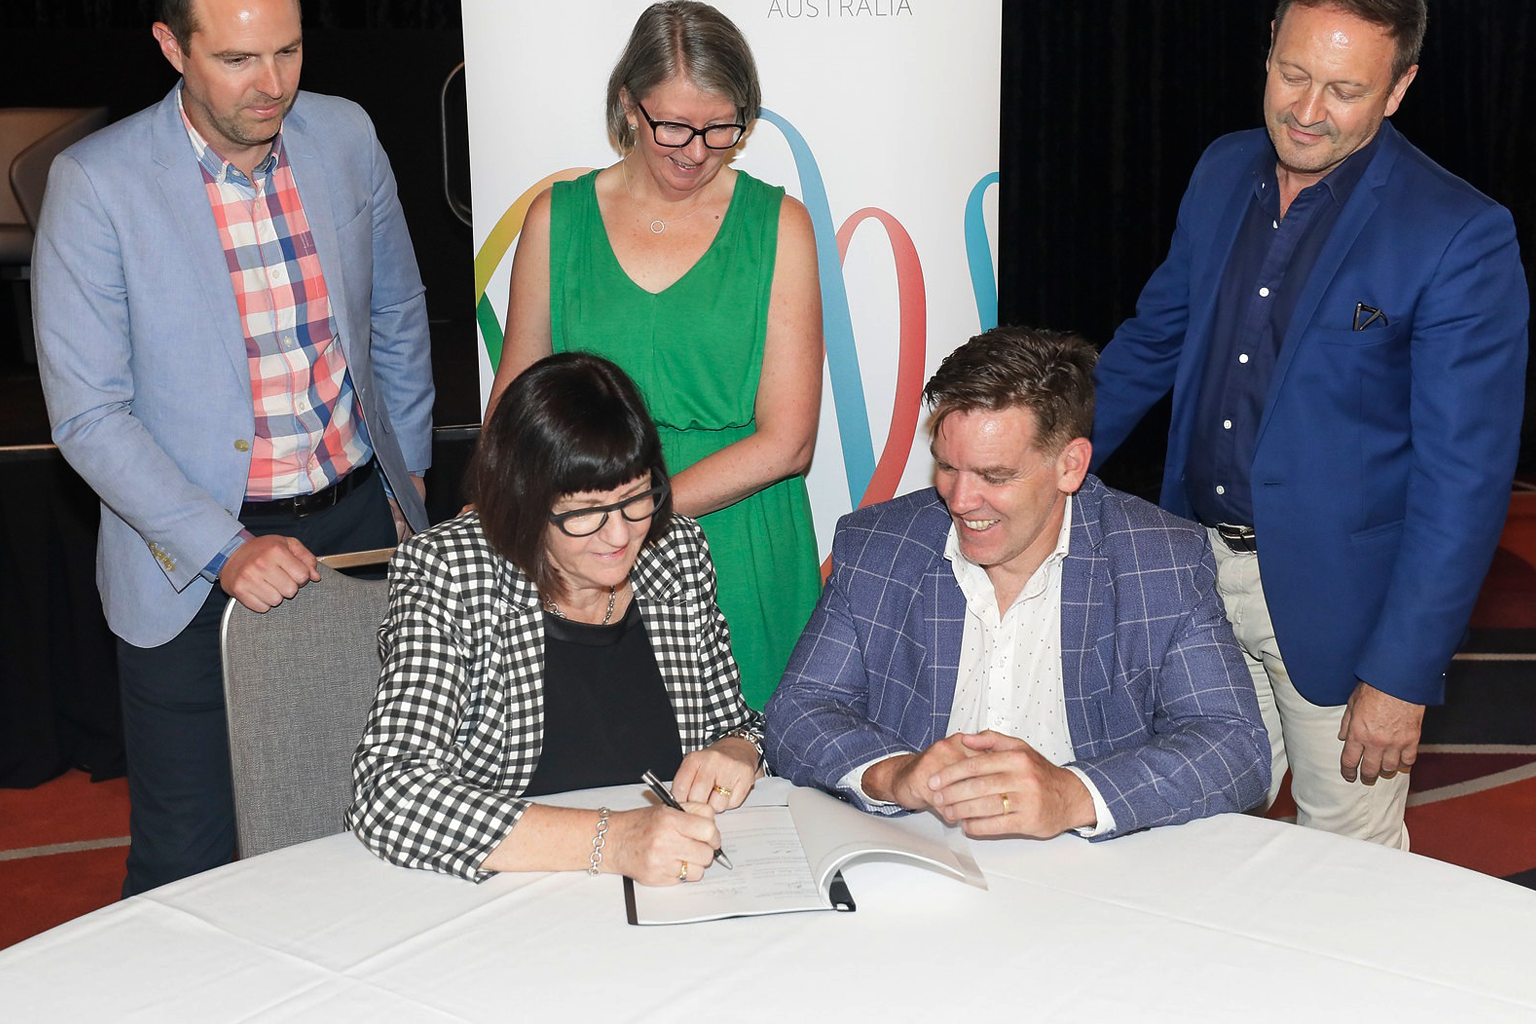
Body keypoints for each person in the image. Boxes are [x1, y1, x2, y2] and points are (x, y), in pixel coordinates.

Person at [1089, 0, 1527, 848]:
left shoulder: (1457, 233)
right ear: (1267, 56)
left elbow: (1462, 485)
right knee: (1181, 833)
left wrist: (1399, 675)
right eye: (1293, 75)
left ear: (1398, 90)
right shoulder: (1222, 170)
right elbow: (1150, 344)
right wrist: (1038, 463)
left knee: (1347, 874)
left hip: (1340, 611)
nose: (1307, 109)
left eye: (1343, 89)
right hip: (1191, 580)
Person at [31, 0, 434, 895]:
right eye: (240, 59)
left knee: (369, 826)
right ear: (173, 48)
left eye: (288, 51)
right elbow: (89, 416)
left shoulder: (346, 134)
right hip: (187, 565)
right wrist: (226, 548)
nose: (273, 83)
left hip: (360, 534)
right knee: (190, 862)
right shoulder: (96, 183)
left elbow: (397, 315)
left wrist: (407, 485)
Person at [765, 328, 1269, 840]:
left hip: (1095, 876)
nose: (960, 500)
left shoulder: (1157, 560)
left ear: (1069, 465)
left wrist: (1070, 794)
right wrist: (896, 774)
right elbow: (797, 711)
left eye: (996, 475)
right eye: (946, 466)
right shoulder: (881, 547)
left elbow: (1233, 745)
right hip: (920, 861)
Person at [483, 1, 824, 710]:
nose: (697, 150)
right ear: (627, 106)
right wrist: (584, 523)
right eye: (673, 125)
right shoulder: (557, 219)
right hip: (585, 548)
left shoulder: (780, 225)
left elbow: (789, 442)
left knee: (755, 783)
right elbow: (512, 414)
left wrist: (636, 513)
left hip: (739, 536)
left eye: (722, 128)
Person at [347, 353, 764, 884]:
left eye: (636, 499)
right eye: (585, 512)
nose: (619, 536)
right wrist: (613, 841)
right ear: (524, 501)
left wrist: (737, 750)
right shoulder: (452, 571)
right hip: (512, 893)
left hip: (673, 886)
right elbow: (390, 793)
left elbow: (734, 724)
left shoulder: (675, 554)